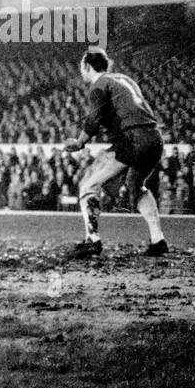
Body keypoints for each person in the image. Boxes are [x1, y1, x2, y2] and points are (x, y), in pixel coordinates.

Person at [64, 52, 167, 257]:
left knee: (87, 185)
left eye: (81, 67)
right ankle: (158, 240)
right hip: (154, 139)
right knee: (135, 187)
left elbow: (94, 119)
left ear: (87, 66)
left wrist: (79, 142)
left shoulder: (98, 85)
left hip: (133, 140)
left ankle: (92, 240)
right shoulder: (124, 79)